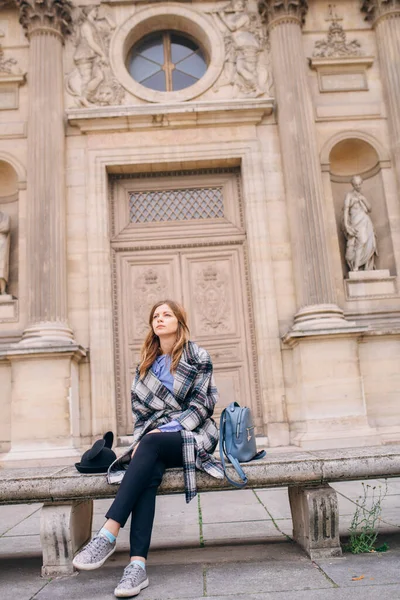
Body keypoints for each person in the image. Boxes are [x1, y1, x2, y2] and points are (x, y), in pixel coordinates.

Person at [72, 300, 223, 597]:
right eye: (156, 316)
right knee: (148, 471)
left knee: (150, 444)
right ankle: (137, 568)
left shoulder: (197, 356)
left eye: (167, 315)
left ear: (179, 321)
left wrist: (163, 430)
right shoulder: (144, 365)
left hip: (193, 435)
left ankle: (107, 533)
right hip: (154, 442)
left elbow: (203, 405)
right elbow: (141, 416)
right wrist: (145, 437)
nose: (160, 319)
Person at [343, 175, 377, 272]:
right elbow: (346, 211)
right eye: (356, 185)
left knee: (368, 243)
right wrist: (346, 225)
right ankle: (356, 267)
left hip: (365, 221)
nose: (358, 186)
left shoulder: (362, 195)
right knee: (362, 241)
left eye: (359, 184)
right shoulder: (349, 195)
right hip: (355, 221)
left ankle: (360, 266)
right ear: (353, 185)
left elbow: (369, 209)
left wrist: (362, 199)